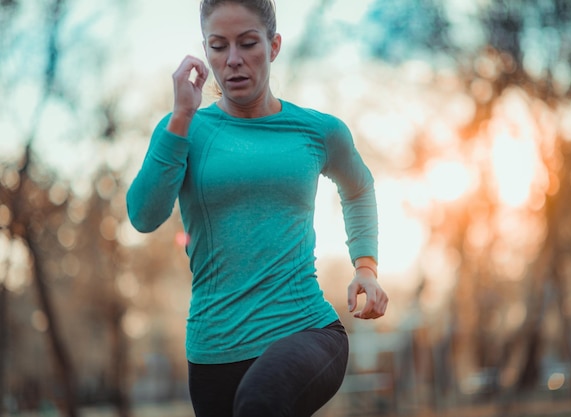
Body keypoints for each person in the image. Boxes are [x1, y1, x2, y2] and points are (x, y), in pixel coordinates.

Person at [126, 0, 388, 415]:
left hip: (306, 329)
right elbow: (143, 215)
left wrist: (366, 268)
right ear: (206, 51)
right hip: (214, 352)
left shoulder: (317, 130)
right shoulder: (186, 129)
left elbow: (358, 187)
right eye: (218, 46)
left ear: (274, 46)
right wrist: (180, 117)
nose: (232, 60)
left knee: (260, 401)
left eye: (248, 43)